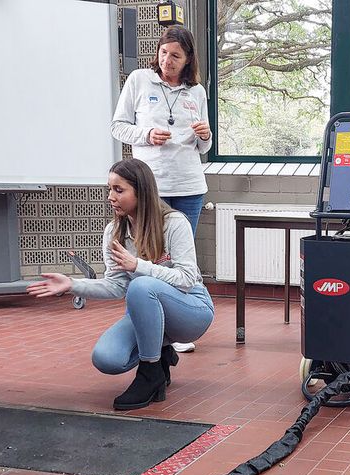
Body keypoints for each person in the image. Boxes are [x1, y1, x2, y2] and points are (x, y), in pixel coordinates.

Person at [27, 159, 214, 411]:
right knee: (106, 358)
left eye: (119, 190)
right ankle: (160, 352)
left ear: (141, 191)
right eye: (109, 189)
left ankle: (150, 372)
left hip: (192, 310)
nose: (110, 197)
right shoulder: (113, 231)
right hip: (148, 309)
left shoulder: (174, 223)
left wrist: (138, 266)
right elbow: (116, 286)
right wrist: (72, 284)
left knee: (142, 286)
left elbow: (187, 278)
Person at [110, 24, 211, 353]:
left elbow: (203, 147)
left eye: (176, 56)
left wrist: (205, 136)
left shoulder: (197, 91)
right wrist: (146, 135)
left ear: (188, 59)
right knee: (148, 254)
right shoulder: (139, 79)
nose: (167, 60)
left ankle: (177, 328)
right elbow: (118, 127)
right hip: (150, 186)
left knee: (180, 258)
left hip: (189, 185)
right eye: (164, 53)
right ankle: (146, 319)